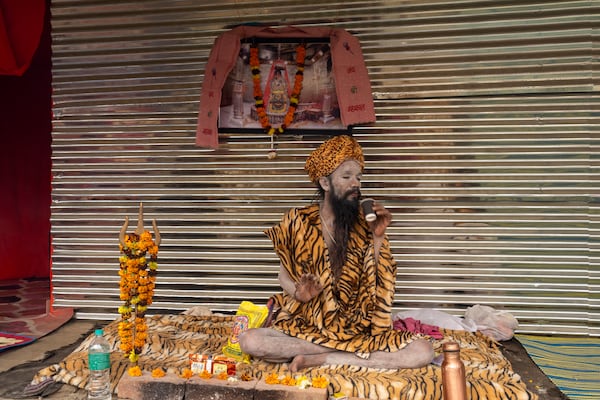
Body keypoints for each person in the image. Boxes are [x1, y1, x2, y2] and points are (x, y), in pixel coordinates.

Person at [239, 135, 434, 372]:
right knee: (249, 341)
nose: (356, 184)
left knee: (423, 351)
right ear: (324, 183)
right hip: (308, 325)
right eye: (346, 176)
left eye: (358, 177)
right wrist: (298, 294)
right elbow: (283, 276)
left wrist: (379, 237)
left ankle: (320, 358)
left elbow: (380, 285)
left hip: (357, 329)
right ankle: (339, 352)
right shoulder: (297, 221)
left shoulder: (366, 224)